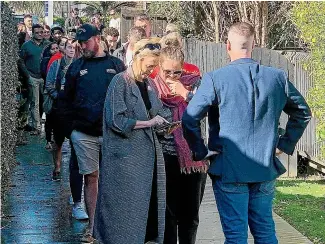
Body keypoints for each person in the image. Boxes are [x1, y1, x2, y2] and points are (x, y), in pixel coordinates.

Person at [182, 22, 312, 244]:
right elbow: (302, 112)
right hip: (264, 166)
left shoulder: (215, 79)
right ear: (254, 45)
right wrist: (284, 144)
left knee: (235, 236)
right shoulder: (277, 77)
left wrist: (200, 151)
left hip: (229, 168)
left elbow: (189, 118)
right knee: (265, 232)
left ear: (227, 45)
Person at [93, 38, 166, 244]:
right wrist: (149, 122)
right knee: (122, 214)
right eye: (149, 66)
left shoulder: (149, 84)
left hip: (145, 160)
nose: (151, 71)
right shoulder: (120, 81)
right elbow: (116, 120)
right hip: (124, 163)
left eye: (154, 67)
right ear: (137, 59)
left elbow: (155, 112)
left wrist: (163, 124)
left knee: (144, 211)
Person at [62, 24, 125, 242]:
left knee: (112, 178)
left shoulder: (116, 65)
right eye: (79, 42)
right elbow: (65, 100)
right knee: (91, 177)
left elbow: (126, 96)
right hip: (84, 133)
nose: (82, 46)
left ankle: (114, 226)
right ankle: (93, 228)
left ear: (97, 39)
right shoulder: (76, 67)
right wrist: (70, 130)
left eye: (85, 41)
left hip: (112, 133)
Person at [150, 46, 207, 244]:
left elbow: (206, 111)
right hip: (165, 158)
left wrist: (186, 95)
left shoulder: (194, 84)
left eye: (177, 72)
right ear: (159, 67)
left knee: (190, 216)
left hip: (192, 159)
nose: (172, 76)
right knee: (168, 216)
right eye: (167, 72)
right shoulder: (152, 88)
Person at [20, 24, 51, 135]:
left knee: (47, 102)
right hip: (32, 77)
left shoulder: (48, 45)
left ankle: (50, 126)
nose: (39, 34)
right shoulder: (26, 45)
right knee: (34, 102)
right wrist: (27, 75)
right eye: (37, 32)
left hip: (46, 78)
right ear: (33, 33)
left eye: (41, 32)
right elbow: (21, 61)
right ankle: (36, 127)